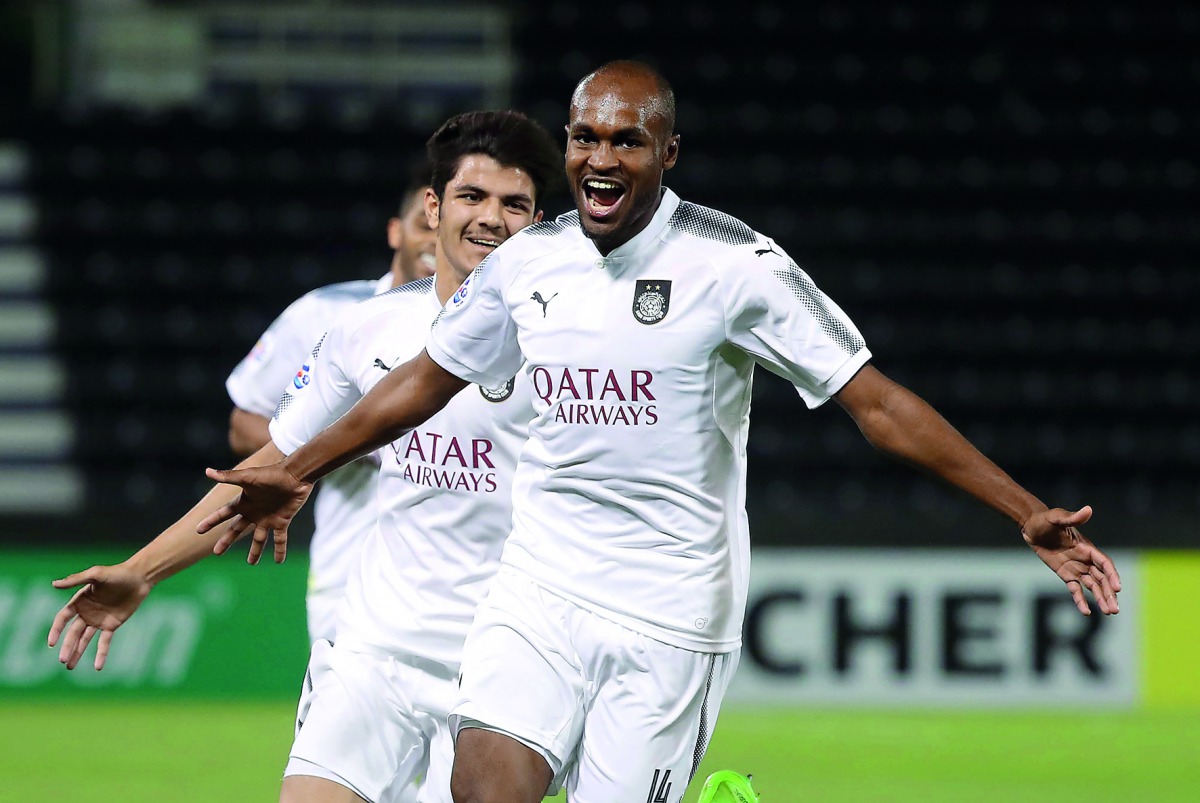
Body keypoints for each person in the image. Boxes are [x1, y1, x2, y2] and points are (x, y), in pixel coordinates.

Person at [196, 61, 1123, 803]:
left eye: (627, 140)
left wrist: (1024, 510)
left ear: (669, 151)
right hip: (540, 588)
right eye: (586, 137)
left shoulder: (738, 265)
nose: (602, 158)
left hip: (672, 613)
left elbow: (875, 402)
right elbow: (424, 380)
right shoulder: (529, 261)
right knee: (483, 786)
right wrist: (299, 465)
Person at [46, 110, 563, 803]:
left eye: (514, 204)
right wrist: (141, 572)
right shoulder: (363, 330)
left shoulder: (565, 342)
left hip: (502, 668)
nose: (491, 219)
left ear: (537, 221)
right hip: (374, 653)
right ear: (432, 207)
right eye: (473, 197)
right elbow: (263, 472)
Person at [224, 161, 437, 643]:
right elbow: (244, 423)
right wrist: (342, 450)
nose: (432, 239)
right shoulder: (329, 312)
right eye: (422, 224)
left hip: (463, 582)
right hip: (349, 571)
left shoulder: (499, 327)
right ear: (394, 232)